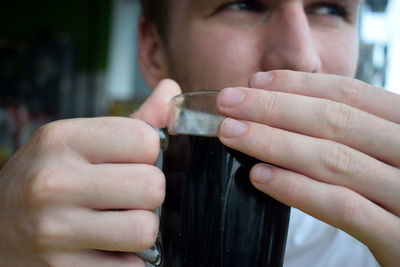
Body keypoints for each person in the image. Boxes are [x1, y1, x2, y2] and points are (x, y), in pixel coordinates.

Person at [0, 0, 399, 266]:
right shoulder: (58, 230)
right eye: (243, 3)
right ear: (155, 50)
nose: (301, 56)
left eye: (330, 8)